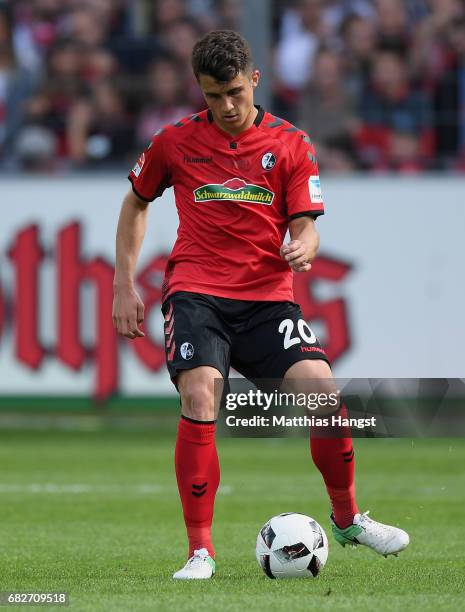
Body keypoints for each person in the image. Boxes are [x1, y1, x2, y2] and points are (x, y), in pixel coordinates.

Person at [112, 30, 409, 580]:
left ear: (254, 79)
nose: (225, 107)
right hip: (197, 292)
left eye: (233, 92)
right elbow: (135, 202)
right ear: (199, 91)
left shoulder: (292, 143)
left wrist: (304, 244)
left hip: (267, 300)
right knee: (202, 392)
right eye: (212, 96)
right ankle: (200, 550)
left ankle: (346, 519)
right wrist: (122, 284)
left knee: (323, 393)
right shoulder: (173, 142)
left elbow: (307, 222)